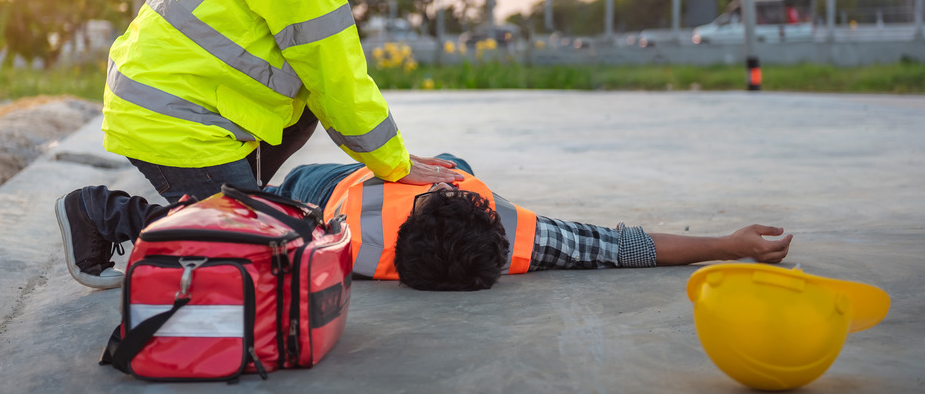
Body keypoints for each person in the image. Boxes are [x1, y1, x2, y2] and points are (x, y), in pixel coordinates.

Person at [57, 0, 466, 287]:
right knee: (265, 251)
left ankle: (237, 205)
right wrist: (396, 164)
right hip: (170, 116)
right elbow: (341, 81)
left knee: (303, 115)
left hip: (172, 99)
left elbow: (324, 87)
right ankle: (100, 214)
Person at [56, 154, 793, 291]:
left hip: (326, 187)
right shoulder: (520, 238)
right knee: (248, 219)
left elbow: (623, 243)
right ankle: (119, 212)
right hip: (338, 177)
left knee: (251, 214)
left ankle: (103, 211)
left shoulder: (335, 240)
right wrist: (726, 244)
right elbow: (621, 246)